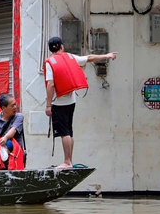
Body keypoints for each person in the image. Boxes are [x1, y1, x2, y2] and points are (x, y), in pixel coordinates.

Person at [44, 36, 116, 169]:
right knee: (69, 131)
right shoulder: (70, 57)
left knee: (64, 132)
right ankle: (69, 160)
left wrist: (48, 104)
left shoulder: (50, 62)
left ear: (50, 49)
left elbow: (50, 85)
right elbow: (89, 58)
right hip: (71, 101)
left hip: (59, 103)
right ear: (62, 47)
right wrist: (107, 55)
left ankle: (67, 162)